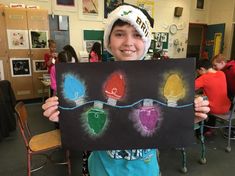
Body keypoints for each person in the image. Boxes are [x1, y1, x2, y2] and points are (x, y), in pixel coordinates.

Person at [42, 4, 210, 176]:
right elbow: (85, 126)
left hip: (145, 170)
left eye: (137, 35)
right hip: (101, 170)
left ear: (146, 41)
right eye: (120, 34)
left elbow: (167, 126)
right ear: (109, 40)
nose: (128, 42)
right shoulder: (93, 79)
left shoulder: (158, 79)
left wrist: (190, 118)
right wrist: (62, 113)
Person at [195, 59, 231, 136]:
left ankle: (201, 130)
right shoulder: (222, 73)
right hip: (227, 106)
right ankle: (210, 128)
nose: (198, 74)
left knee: (197, 103)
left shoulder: (204, 77)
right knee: (210, 100)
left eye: (198, 72)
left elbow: (189, 88)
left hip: (215, 109)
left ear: (202, 69)